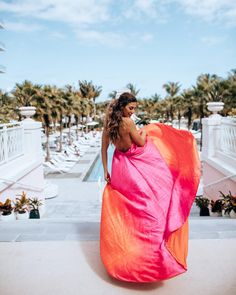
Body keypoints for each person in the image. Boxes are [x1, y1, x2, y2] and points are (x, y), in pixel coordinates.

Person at [100, 92, 201, 283]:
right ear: (122, 106)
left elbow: (104, 148)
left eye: (134, 108)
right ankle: (150, 258)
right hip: (132, 167)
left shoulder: (109, 124)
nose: (132, 111)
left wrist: (106, 170)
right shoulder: (128, 123)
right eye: (130, 108)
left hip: (119, 165)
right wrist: (145, 131)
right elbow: (139, 142)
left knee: (129, 211)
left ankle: (130, 253)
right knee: (149, 206)